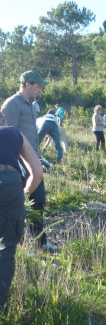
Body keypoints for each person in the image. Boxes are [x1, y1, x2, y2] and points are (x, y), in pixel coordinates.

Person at [1, 70, 58, 252]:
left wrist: (38, 157)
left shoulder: (30, 106)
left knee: (38, 201)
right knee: (19, 205)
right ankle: (22, 245)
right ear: (27, 84)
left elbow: (31, 137)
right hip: (17, 164)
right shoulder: (12, 104)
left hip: (32, 161)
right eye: (38, 85)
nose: (40, 89)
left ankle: (40, 243)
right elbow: (6, 136)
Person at [0, 125, 43, 310]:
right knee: (6, 249)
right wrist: (24, 194)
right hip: (9, 183)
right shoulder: (14, 133)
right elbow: (38, 173)